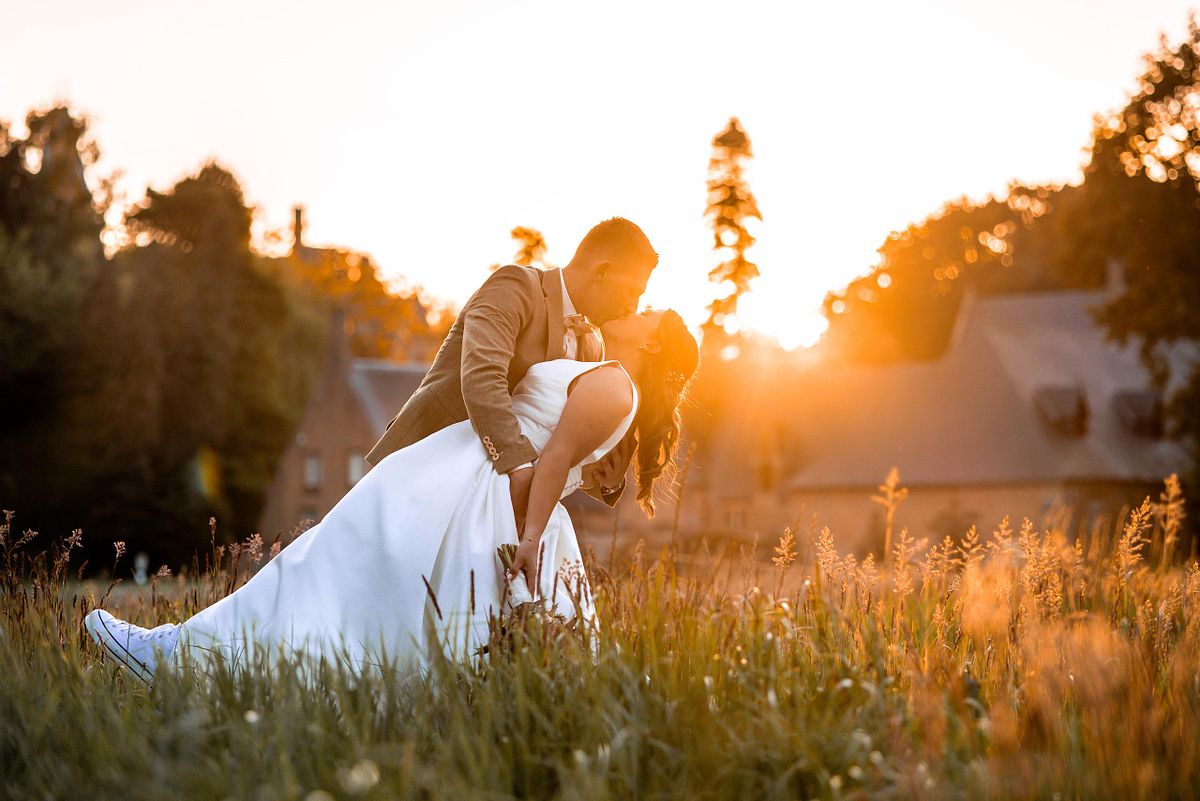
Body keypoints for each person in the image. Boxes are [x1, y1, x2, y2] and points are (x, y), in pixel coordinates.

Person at [83, 308, 699, 686]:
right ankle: (190, 653)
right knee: (342, 582)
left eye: (650, 317)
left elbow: (554, 461)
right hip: (460, 480)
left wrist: (528, 542)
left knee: (331, 572)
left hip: (469, 496)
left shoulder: (618, 386)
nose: (638, 311)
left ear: (650, 346)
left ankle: (182, 658)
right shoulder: (604, 371)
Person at [366, 217, 659, 528]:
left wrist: (603, 480)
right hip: (420, 466)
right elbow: (482, 377)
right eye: (631, 290)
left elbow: (556, 447)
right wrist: (516, 465)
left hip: (485, 505)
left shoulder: (592, 345)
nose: (633, 305)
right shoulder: (515, 286)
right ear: (602, 271)